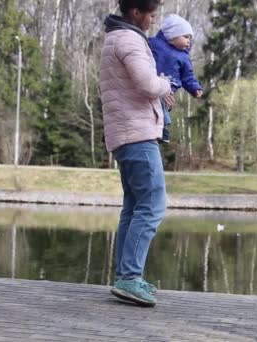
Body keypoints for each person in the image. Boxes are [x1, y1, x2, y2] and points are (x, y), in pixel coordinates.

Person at [100, 0, 173, 307]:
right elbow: (145, 83)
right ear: (135, 12)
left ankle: (127, 276)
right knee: (153, 205)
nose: (154, 19)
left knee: (133, 206)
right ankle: (129, 278)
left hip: (125, 134)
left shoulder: (115, 38)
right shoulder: (128, 39)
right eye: (151, 13)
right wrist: (165, 84)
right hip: (137, 135)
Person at [149, 14, 203, 143]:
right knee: (155, 108)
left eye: (190, 38)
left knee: (164, 106)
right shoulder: (153, 43)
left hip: (168, 89)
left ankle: (162, 129)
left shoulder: (184, 57)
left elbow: (188, 76)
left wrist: (195, 88)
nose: (189, 41)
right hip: (151, 83)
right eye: (185, 37)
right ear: (173, 35)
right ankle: (160, 129)